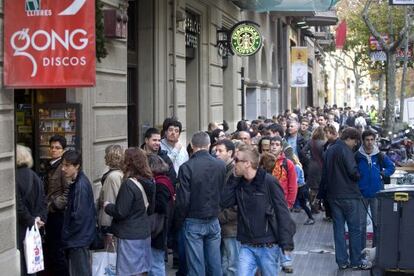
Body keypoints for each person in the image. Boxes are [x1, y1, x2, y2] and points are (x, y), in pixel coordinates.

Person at [221, 144, 295, 276]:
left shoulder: (269, 182)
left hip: (268, 246)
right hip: (246, 245)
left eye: (237, 160)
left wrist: (286, 244)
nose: (234, 163)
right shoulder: (239, 183)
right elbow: (224, 202)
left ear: (247, 163)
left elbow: (282, 212)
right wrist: (234, 178)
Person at [175, 131, 226, 276]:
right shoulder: (220, 165)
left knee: (196, 266)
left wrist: (179, 221)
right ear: (209, 145)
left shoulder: (186, 167)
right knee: (215, 263)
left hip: (193, 220)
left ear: (192, 145)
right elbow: (222, 192)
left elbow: (183, 199)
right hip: (214, 218)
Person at [320, 128, 369, 270]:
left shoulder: (330, 149)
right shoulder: (346, 151)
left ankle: (342, 261)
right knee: (354, 229)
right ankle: (356, 261)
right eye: (355, 141)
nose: (355, 145)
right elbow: (353, 172)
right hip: (348, 195)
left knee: (338, 229)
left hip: (333, 195)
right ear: (350, 139)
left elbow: (325, 173)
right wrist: (360, 174)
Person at [104, 148, 154, 275]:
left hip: (129, 235)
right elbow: (151, 208)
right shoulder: (149, 181)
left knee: (128, 272)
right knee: (142, 271)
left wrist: (107, 206)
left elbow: (121, 211)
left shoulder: (128, 184)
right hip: (144, 232)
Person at [355, 129, 395, 248]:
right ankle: (362, 252)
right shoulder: (357, 156)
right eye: (367, 140)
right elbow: (351, 171)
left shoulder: (379, 155)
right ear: (363, 141)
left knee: (377, 224)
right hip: (361, 194)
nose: (369, 142)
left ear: (375, 140)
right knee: (361, 224)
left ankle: (376, 251)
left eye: (372, 139)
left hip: (377, 194)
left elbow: (391, 167)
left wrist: (384, 173)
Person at [61, 150, 96, 276]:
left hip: (78, 239)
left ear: (77, 166)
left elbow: (79, 216)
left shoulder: (80, 185)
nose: (63, 169)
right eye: (63, 165)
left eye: (67, 165)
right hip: (79, 238)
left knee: (80, 272)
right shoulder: (78, 182)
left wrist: (67, 235)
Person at [16, 145, 47, 276]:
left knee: (23, 262)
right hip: (35, 225)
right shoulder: (35, 176)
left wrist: (30, 220)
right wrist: (39, 219)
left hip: (22, 226)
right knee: (32, 261)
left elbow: (18, 205)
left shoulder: (15, 177)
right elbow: (43, 201)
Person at [44, 135, 70, 276]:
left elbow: (67, 192)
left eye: (57, 148)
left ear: (63, 150)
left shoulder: (62, 168)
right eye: (52, 147)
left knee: (57, 251)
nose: (54, 150)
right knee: (51, 249)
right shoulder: (50, 165)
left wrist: (53, 205)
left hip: (57, 214)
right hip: (50, 213)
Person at [147, 154, 175, 276]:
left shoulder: (160, 184)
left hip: (158, 228)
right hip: (162, 226)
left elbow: (161, 206)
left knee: (156, 263)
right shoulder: (165, 180)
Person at [215, 140, 240, 276]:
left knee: (232, 265)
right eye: (215, 151)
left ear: (230, 153)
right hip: (223, 226)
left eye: (220, 151)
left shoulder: (235, 173)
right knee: (225, 263)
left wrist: (220, 217)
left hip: (232, 227)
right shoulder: (221, 170)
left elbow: (239, 205)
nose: (216, 154)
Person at [98, 145, 124, 249]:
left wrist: (109, 229)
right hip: (112, 221)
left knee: (111, 254)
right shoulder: (118, 174)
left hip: (110, 222)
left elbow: (112, 198)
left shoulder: (114, 176)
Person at [301, 127, 326, 214]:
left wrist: (309, 160)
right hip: (322, 166)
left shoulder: (310, 142)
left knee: (313, 188)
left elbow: (303, 152)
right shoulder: (324, 143)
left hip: (312, 166)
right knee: (321, 186)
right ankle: (319, 205)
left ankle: (313, 206)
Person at [292, 155, 314, 225]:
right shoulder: (297, 166)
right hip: (301, 188)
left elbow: (296, 178)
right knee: (303, 204)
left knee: (303, 204)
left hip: (301, 188)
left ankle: (311, 218)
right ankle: (311, 217)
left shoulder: (296, 167)